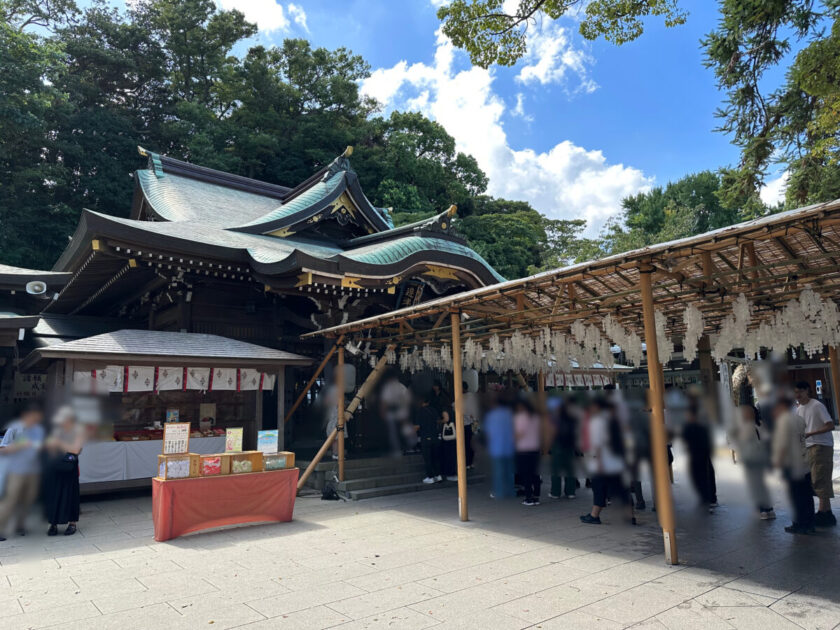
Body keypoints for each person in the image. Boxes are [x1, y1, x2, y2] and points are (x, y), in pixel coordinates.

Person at [580, 397, 634, 525]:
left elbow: (597, 443)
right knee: (622, 489)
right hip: (617, 461)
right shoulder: (616, 420)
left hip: (603, 462)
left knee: (599, 488)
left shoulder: (597, 421)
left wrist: (598, 462)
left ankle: (594, 515)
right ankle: (630, 516)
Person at [0, 403, 45, 541]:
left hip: (33, 471)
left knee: (28, 499)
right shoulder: (14, 427)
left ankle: (20, 525)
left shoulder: (39, 430)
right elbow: (2, 449)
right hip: (16, 470)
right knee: (10, 499)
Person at [793, 381, 836, 526]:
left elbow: (830, 425)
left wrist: (812, 433)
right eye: (795, 392)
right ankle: (826, 512)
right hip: (808, 447)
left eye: (800, 391)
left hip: (821, 445)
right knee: (814, 479)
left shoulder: (816, 405)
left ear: (807, 391)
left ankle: (824, 512)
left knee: (820, 478)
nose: (797, 395)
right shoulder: (799, 409)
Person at [772, 395, 814, 534]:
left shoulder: (783, 420)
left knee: (796, 496)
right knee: (807, 495)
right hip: (804, 462)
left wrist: (777, 463)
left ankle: (799, 524)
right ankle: (809, 524)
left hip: (791, 464)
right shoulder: (798, 418)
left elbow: (783, 445)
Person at [42, 406, 85, 536]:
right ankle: (53, 524)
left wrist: (60, 444)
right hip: (55, 468)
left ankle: (72, 523)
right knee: (54, 496)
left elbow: (76, 450)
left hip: (69, 469)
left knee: (70, 496)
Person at [730, 404, 775, 519]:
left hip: (753, 458)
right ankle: (767, 508)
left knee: (756, 484)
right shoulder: (758, 424)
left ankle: (764, 509)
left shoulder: (749, 426)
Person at [682, 401, 718, 510]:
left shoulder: (695, 425)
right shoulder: (699, 424)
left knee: (701, 477)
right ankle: (710, 499)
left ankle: (708, 500)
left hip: (699, 455)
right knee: (703, 477)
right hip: (701, 454)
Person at [484, 392, 515, 498]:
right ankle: (510, 491)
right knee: (510, 471)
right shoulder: (510, 414)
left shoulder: (491, 415)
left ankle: (499, 492)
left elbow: (488, 433)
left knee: (498, 472)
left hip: (497, 448)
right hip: (509, 447)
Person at [548, 396, 578, 499]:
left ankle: (555, 492)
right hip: (570, 446)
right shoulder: (572, 418)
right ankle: (570, 492)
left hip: (557, 446)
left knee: (556, 469)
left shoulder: (554, 418)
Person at [514, 399, 541, 506]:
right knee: (535, 474)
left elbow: (519, 434)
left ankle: (528, 498)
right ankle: (536, 497)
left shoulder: (520, 418)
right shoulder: (536, 418)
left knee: (526, 474)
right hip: (535, 448)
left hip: (523, 449)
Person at [414, 395, 442, 484]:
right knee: (436, 457)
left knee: (428, 458)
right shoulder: (434, 410)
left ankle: (430, 477)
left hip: (426, 437)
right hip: (435, 436)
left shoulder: (420, 412)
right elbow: (438, 421)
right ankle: (438, 475)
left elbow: (417, 427)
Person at [461, 382, 479, 469]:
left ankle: (467, 463)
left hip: (465, 424)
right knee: (471, 445)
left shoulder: (462, 397)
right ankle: (471, 462)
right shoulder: (473, 397)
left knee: (465, 445)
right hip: (473, 424)